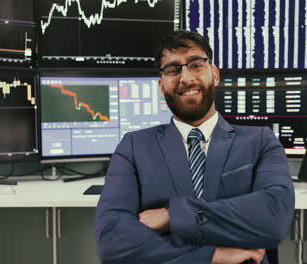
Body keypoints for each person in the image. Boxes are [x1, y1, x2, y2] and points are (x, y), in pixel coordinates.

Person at [95, 30, 295, 264]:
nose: (186, 78)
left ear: (215, 74)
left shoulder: (260, 140)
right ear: (161, 86)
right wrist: (213, 256)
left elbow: (275, 218)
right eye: (173, 70)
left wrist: (173, 216)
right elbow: (112, 241)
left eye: (196, 65)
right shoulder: (134, 146)